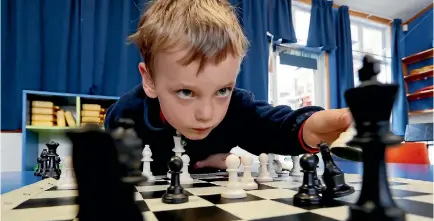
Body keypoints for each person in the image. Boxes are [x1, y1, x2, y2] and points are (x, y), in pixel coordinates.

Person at [104, 0, 352, 175]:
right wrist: (192, 164)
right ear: (149, 80)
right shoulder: (128, 114)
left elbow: (274, 126)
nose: (206, 114)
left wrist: (310, 127)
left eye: (222, 90)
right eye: (186, 92)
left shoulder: (236, 108)